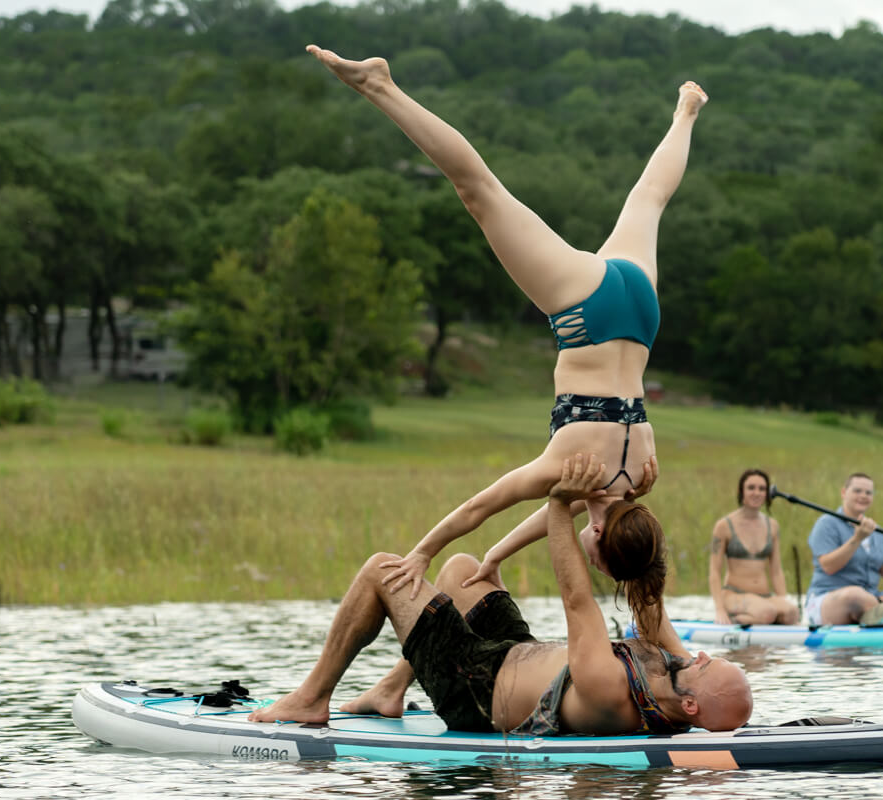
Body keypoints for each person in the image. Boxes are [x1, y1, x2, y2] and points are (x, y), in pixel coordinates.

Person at [300, 45, 708, 624]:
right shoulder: (567, 465)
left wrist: (493, 558)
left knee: (649, 200)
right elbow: (480, 505)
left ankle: (686, 110)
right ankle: (379, 86)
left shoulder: (639, 478)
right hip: (586, 310)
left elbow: (550, 514)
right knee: (479, 191)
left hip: (641, 313)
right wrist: (422, 553)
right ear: (597, 540)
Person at [249, 454, 754, 735]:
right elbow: (649, 594)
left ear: (691, 707)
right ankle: (389, 690)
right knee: (465, 570)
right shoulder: (672, 677)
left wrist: (561, 501)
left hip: (476, 687)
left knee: (383, 569)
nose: (702, 654)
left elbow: (577, 597)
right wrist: (627, 501)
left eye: (709, 666)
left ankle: (312, 698)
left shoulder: (608, 690)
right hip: (512, 652)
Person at [803, 473, 883, 627]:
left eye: (868, 493)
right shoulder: (826, 524)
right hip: (828, 599)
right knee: (856, 595)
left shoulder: (877, 532)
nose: (863, 496)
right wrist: (857, 539)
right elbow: (828, 566)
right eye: (857, 491)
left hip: (872, 599)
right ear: (844, 493)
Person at [708, 469, 799, 625]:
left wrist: (782, 601)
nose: (756, 493)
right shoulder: (724, 526)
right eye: (751, 488)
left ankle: (763, 620)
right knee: (767, 612)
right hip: (734, 595)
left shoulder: (773, 526)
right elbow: (714, 572)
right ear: (741, 491)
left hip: (764, 597)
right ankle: (736, 620)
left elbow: (776, 570)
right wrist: (719, 609)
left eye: (762, 489)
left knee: (792, 613)